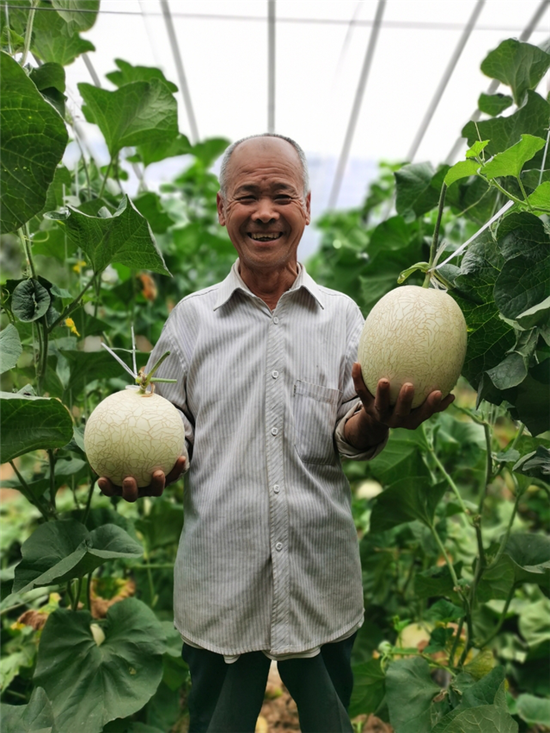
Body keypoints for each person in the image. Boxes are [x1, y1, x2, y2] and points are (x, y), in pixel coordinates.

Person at [98, 133, 454, 733]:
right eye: (247, 196)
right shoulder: (190, 319)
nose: (265, 212)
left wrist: (374, 419)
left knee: (330, 720)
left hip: (319, 575)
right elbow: (162, 423)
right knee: (218, 722)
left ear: (307, 207)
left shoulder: (343, 316)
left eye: (281, 195)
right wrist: (141, 459)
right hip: (221, 581)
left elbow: (352, 430)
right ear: (222, 210)